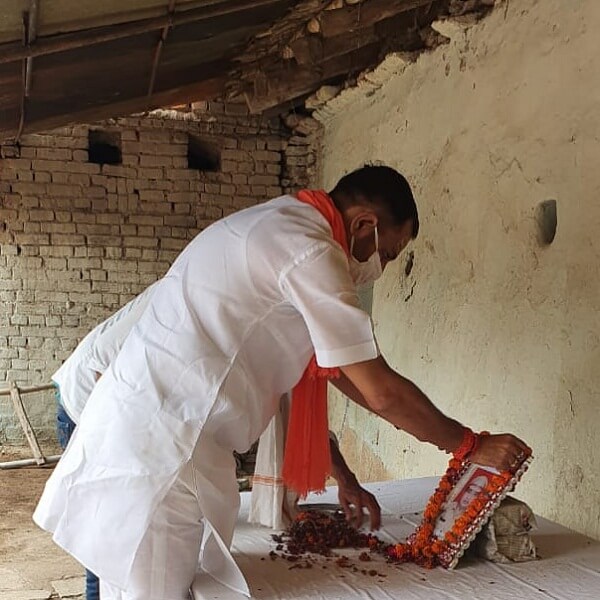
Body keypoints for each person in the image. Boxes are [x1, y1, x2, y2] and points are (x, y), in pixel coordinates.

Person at [34, 165, 530, 600]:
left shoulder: (277, 224)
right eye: (389, 254)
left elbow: (343, 374)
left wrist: (352, 475)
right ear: (364, 225)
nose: (379, 268)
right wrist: (468, 444)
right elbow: (378, 387)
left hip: (163, 435)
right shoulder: (309, 250)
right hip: (164, 447)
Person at [50, 282, 158, 600]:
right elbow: (100, 365)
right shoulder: (165, 302)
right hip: (82, 409)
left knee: (118, 523)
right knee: (102, 529)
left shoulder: (178, 300)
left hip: (98, 410)